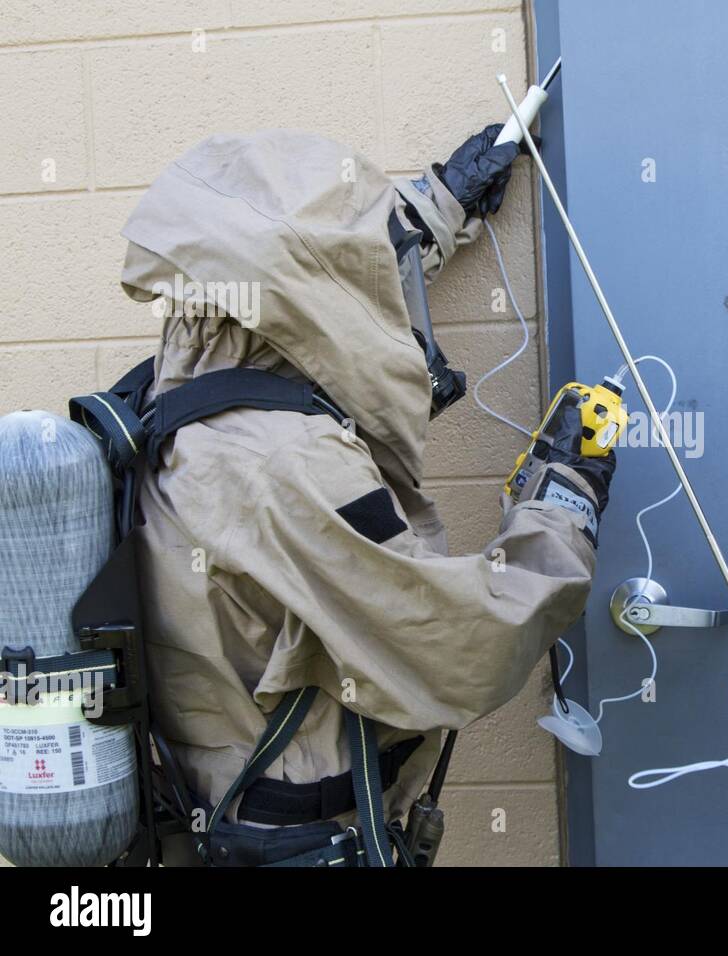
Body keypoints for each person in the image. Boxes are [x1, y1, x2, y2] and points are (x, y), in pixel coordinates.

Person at [118, 126, 613, 865]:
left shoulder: (186, 372)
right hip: (303, 839)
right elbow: (460, 645)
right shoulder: (291, 469)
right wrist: (563, 503)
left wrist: (440, 203)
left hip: (221, 806)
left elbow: (323, 292)